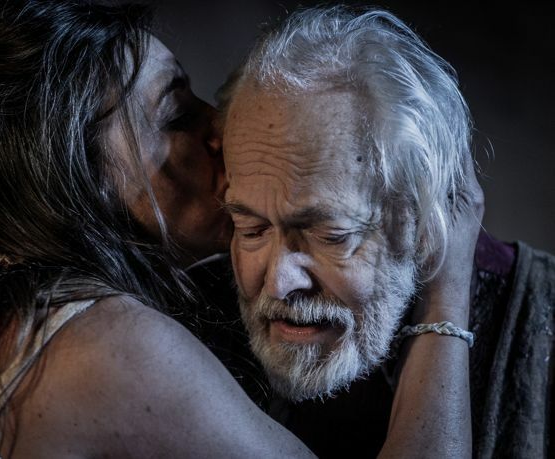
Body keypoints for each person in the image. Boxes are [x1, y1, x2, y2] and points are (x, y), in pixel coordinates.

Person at [0, 1, 475, 457]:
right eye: (176, 112)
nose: (222, 129)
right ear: (81, 185)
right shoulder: (101, 346)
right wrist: (448, 285)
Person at [220, 5, 555, 458]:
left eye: (332, 235)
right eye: (251, 229)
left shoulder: (542, 315)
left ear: (425, 215)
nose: (278, 282)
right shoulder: (192, 321)